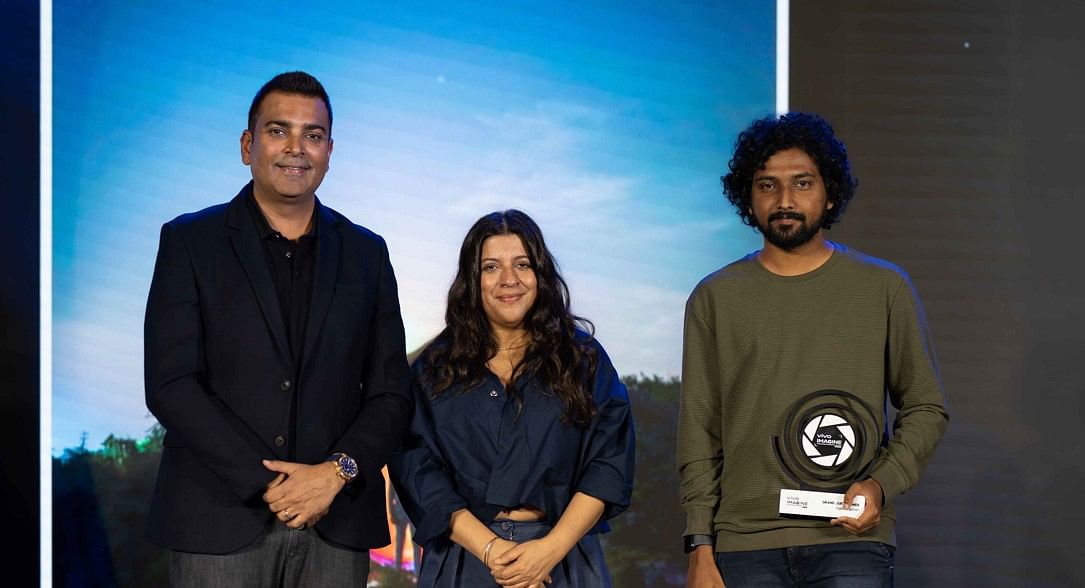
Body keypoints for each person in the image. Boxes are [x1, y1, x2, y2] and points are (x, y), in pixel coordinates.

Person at [144, 71, 412, 586]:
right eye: (277, 131)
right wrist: (271, 485)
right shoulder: (189, 241)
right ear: (248, 145)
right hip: (216, 522)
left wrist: (334, 474)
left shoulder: (367, 255)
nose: (296, 148)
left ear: (330, 150)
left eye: (312, 135)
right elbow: (171, 384)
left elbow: (390, 394)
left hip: (336, 525)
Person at [678, 113, 949, 587]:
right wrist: (700, 544)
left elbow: (926, 407)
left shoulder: (885, 287)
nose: (785, 201)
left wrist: (880, 487)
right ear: (749, 197)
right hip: (743, 545)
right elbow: (700, 430)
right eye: (767, 185)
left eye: (802, 183)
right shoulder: (713, 297)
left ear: (829, 194)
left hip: (851, 543)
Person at [389, 210, 635, 588]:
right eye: (491, 267)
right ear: (473, 279)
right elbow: (416, 469)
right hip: (466, 556)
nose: (509, 280)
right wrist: (491, 549)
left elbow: (608, 463)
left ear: (540, 274)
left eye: (522, 264)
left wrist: (549, 550)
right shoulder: (434, 368)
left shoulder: (584, 359)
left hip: (563, 556)